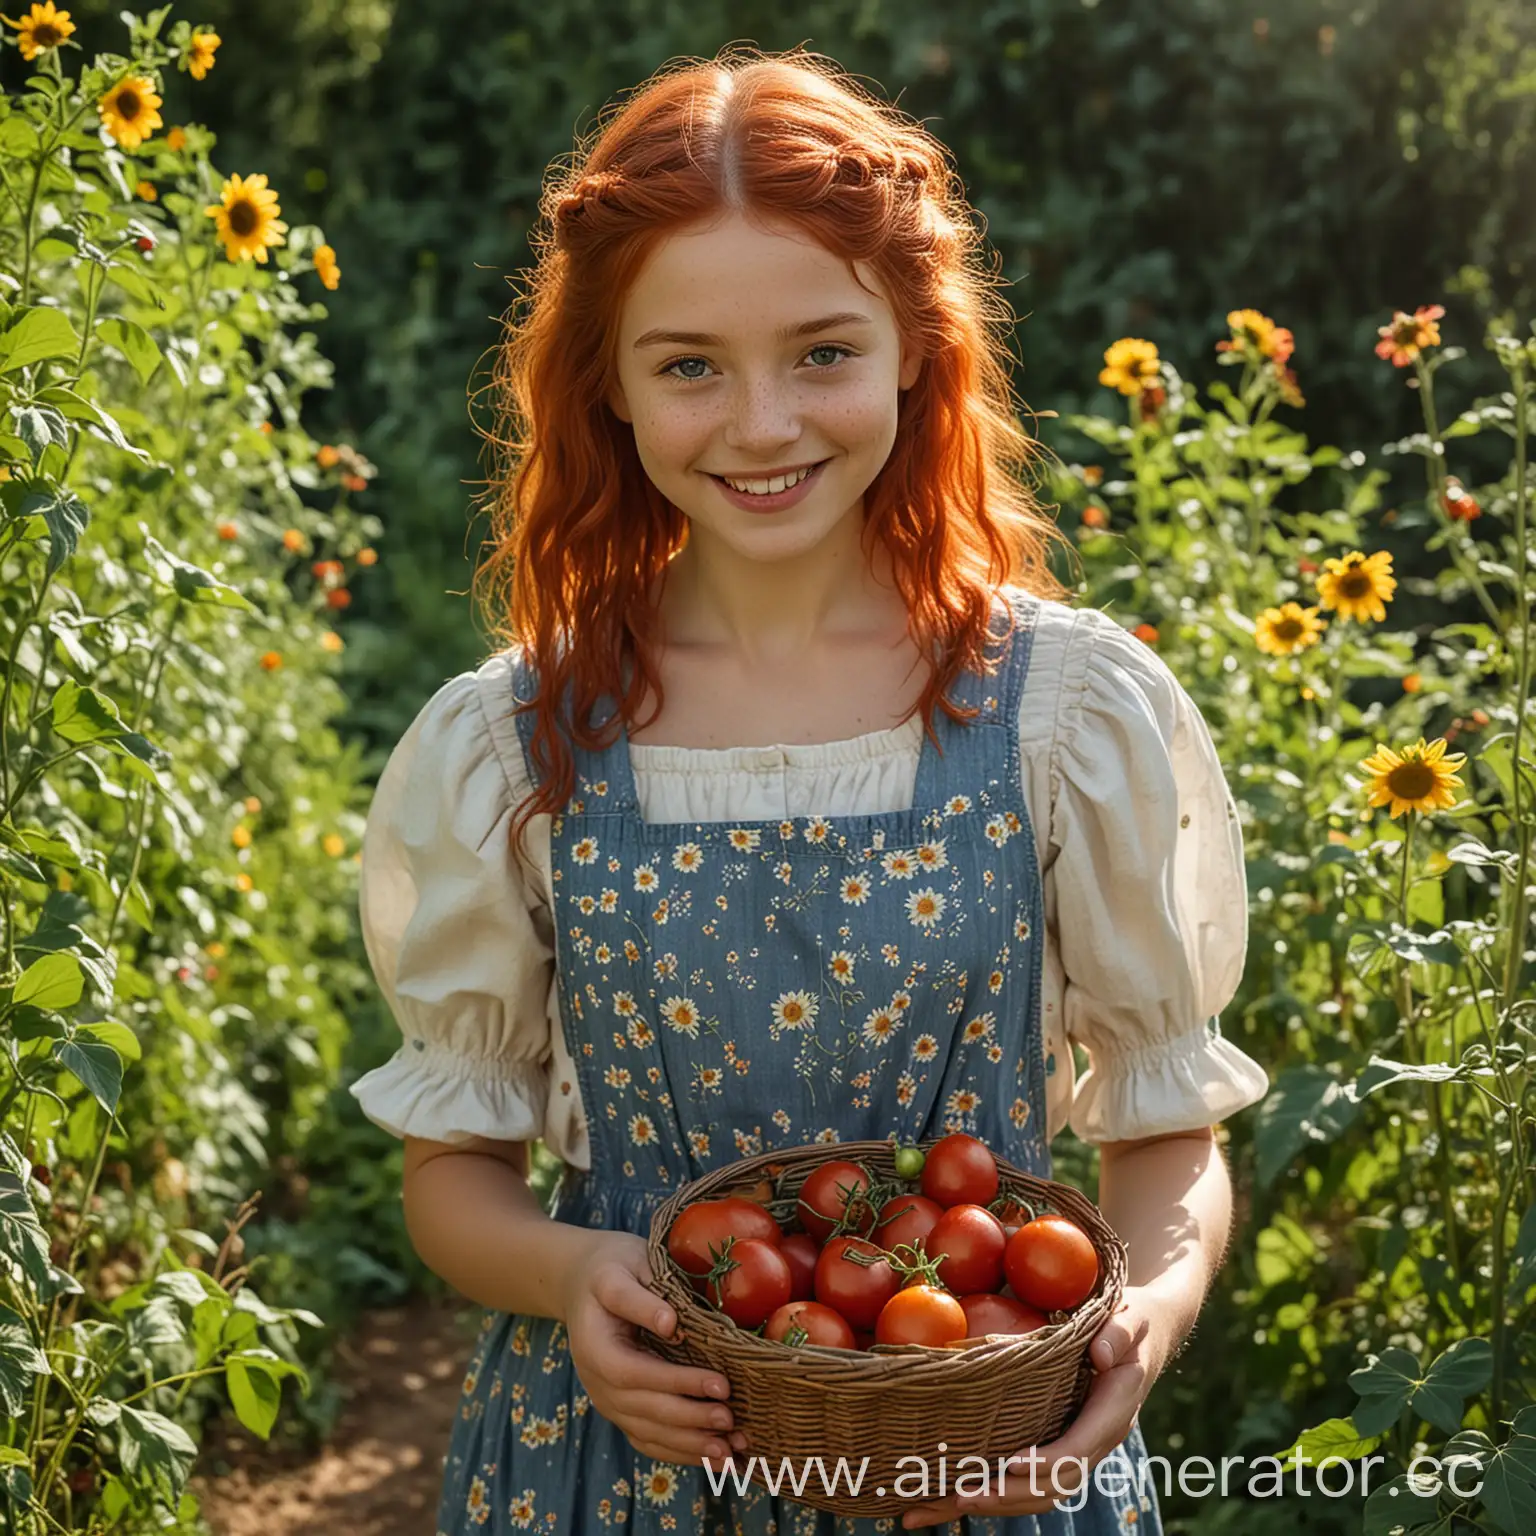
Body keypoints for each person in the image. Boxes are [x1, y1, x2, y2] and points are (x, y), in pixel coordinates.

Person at [351, 45, 1269, 1536]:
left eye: (823, 352)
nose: (764, 424)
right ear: (612, 386)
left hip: (983, 1455)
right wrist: (574, 1273)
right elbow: (455, 1170)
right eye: (690, 365)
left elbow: (1164, 1121)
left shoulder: (1059, 711)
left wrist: (1144, 1317)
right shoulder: (517, 738)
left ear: (917, 346)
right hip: (630, 1457)